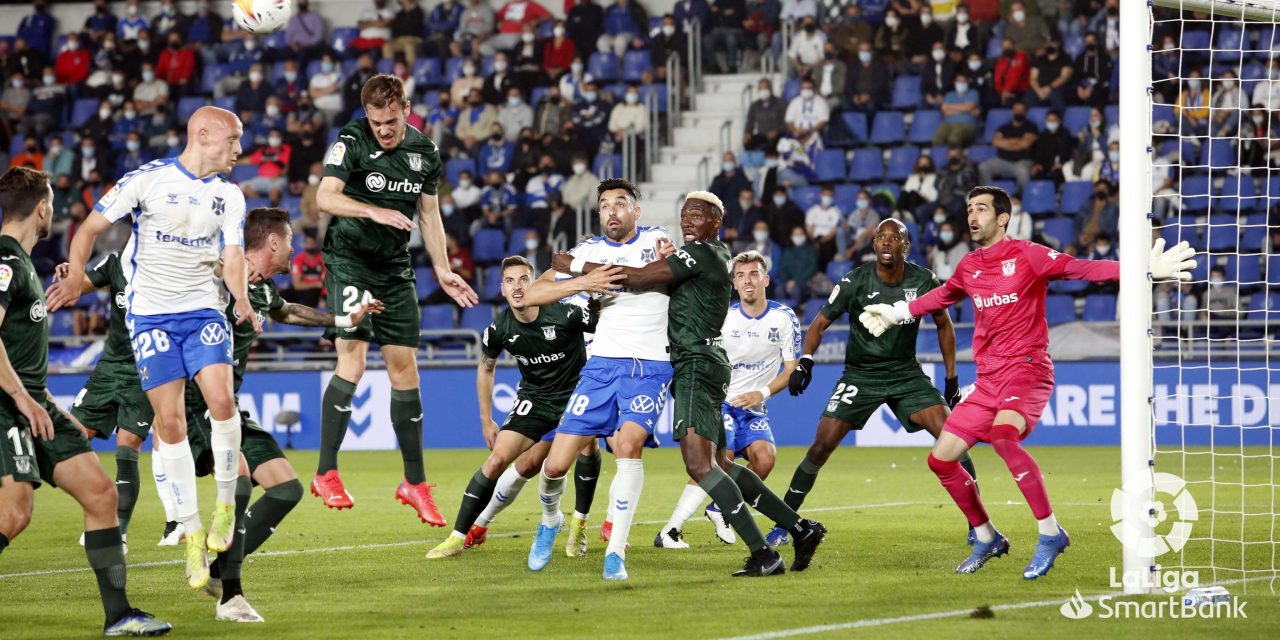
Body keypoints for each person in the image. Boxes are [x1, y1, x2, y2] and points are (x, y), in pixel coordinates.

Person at [858, 186, 1196, 578]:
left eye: (982, 209)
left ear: (1003, 218)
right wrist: (899, 311)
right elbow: (944, 295)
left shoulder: (1028, 255)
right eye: (970, 208)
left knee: (1004, 438)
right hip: (988, 380)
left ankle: (1050, 533)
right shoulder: (969, 265)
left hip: (1027, 369)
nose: (973, 215)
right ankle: (986, 536)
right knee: (941, 459)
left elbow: (1082, 268)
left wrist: (1142, 271)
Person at [551, 191, 827, 577]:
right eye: (684, 214)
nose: (687, 220)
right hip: (704, 363)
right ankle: (801, 528)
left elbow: (639, 278)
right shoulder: (704, 256)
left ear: (716, 222)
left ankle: (764, 554)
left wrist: (574, 263)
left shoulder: (702, 253)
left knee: (700, 466)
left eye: (698, 215)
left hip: (695, 364)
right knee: (722, 465)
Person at [49, 107, 256, 591]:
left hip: (205, 310)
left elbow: (233, 257)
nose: (239, 150)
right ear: (202, 135)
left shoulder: (230, 196)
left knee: (222, 402)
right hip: (152, 318)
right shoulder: (147, 181)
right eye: (233, 139)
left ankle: (224, 506)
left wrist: (242, 298)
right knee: (170, 424)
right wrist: (78, 274)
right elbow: (87, 231)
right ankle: (190, 530)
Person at [182, 208, 381, 621]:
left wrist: (345, 320)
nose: (294, 247)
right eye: (289, 239)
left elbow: (287, 310)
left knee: (285, 488)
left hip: (229, 407)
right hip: (193, 404)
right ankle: (230, 595)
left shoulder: (262, 288)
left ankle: (217, 565)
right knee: (238, 479)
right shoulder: (218, 274)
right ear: (272, 241)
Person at [0, 166, 172, 636]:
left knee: (101, 495)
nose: (52, 211)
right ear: (42, 209)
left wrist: (43, 401)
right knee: (14, 515)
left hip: (34, 405)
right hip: (8, 409)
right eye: (51, 203)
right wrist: (22, 397)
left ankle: (119, 615)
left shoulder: (22, 263)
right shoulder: (5, 262)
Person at [310, 75, 478, 524]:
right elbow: (325, 197)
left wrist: (442, 269)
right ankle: (326, 472)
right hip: (349, 260)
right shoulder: (351, 139)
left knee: (405, 368)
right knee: (354, 360)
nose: (383, 129)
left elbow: (429, 214)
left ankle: (415, 484)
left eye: (390, 120)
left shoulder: (426, 153)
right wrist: (371, 209)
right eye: (375, 121)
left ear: (405, 107)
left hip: (394, 267)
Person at [518, 179, 676, 578]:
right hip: (601, 367)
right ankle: (550, 521)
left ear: (636, 211)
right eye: (605, 205)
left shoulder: (658, 239)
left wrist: (668, 259)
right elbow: (531, 296)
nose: (612, 211)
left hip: (649, 366)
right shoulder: (587, 251)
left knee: (628, 446)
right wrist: (583, 282)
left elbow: (669, 275)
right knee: (554, 466)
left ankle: (616, 553)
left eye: (621, 204)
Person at [780, 219, 973, 546]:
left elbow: (945, 325)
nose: (886, 243)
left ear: (905, 246)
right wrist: (806, 362)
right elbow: (818, 324)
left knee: (953, 436)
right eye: (880, 238)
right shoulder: (855, 281)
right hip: (860, 374)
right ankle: (784, 522)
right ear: (874, 245)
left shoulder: (923, 280)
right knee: (821, 446)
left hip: (906, 374)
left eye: (894, 238)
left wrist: (952, 379)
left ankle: (977, 523)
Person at [425, 255, 619, 558]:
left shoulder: (566, 313)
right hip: (536, 399)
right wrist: (486, 420)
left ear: (536, 282)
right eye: (510, 281)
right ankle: (457, 537)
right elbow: (485, 367)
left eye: (524, 279)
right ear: (501, 289)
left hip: (575, 396)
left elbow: (606, 328)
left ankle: (579, 524)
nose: (517, 287)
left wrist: (596, 306)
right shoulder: (500, 328)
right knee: (498, 460)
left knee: (587, 448)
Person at [655, 250, 800, 548]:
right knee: (721, 457)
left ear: (766, 279)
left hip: (755, 406)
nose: (748, 281)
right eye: (741, 275)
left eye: (754, 274)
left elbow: (791, 371)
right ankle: (672, 529)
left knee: (765, 458)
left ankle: (717, 507)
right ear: (733, 283)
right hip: (719, 401)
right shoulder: (723, 316)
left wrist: (762, 393)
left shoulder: (784, 318)